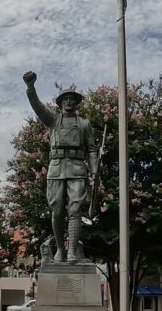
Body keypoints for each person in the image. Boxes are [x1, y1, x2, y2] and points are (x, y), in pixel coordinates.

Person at [23, 71, 97, 263]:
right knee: (56, 210)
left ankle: (72, 250)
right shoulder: (53, 120)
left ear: (77, 102)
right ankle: (60, 249)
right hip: (56, 167)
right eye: (65, 99)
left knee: (75, 210)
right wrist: (31, 88)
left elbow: (92, 149)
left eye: (72, 99)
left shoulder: (84, 124)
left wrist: (95, 170)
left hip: (78, 168)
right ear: (61, 102)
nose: (69, 102)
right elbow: (39, 109)